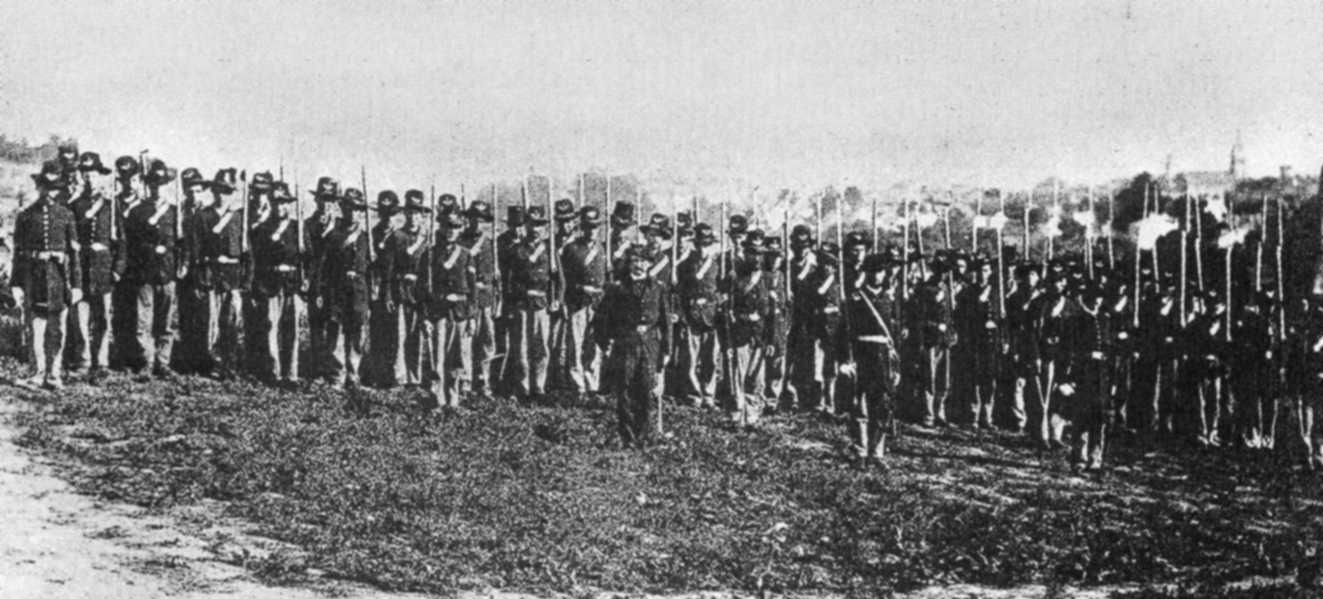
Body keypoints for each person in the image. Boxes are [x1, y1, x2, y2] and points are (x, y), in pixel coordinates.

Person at [11, 161, 82, 390]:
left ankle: (54, 374)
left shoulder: (66, 215)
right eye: (44, 187)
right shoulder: (26, 216)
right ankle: (36, 373)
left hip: (58, 279)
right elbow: (18, 254)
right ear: (38, 187)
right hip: (34, 278)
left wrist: (77, 285)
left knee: (57, 328)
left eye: (53, 189)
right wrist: (16, 283)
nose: (48, 193)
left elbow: (74, 253)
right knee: (35, 329)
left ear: (59, 190)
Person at [594, 245, 672, 448]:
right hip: (625, 343)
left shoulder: (658, 287)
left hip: (649, 345)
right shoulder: (617, 288)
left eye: (643, 261)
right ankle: (627, 436)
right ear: (629, 263)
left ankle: (645, 435)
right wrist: (605, 343)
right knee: (625, 390)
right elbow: (601, 318)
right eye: (634, 261)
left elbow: (665, 323)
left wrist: (666, 350)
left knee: (646, 389)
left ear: (649, 264)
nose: (638, 265)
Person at [122, 159, 182, 380]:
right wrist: (151, 249)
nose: (158, 188)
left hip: (167, 273)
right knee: (143, 321)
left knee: (166, 322)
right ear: (149, 186)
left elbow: (182, 243)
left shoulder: (176, 213)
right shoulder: (138, 212)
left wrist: (177, 261)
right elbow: (132, 244)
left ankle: (163, 362)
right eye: (154, 184)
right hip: (145, 274)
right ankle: (146, 361)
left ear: (167, 186)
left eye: (162, 184)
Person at [841, 252, 901, 463]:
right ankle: (860, 450)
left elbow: (895, 332)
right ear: (866, 273)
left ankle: (877, 452)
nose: (877, 276)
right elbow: (846, 332)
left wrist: (897, 365)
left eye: (880, 272)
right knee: (861, 406)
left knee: (882, 405)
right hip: (862, 355)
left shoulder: (889, 297)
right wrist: (847, 360)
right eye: (873, 272)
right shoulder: (856, 298)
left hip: (883, 358)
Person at [67, 152, 122, 381]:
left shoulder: (110, 206)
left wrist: (118, 268)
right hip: (82, 266)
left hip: (103, 268)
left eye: (94, 173)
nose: (90, 178)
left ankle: (101, 361)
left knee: (102, 319)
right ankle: (83, 360)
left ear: (101, 176)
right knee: (80, 317)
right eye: (86, 173)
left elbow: (121, 241)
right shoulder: (76, 205)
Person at [189, 169, 248, 379]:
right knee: (210, 323)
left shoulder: (240, 217)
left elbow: (248, 253)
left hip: (232, 277)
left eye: (226, 191)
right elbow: (195, 251)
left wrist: (245, 281)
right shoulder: (203, 216)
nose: (222, 195)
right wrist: (198, 278)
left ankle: (230, 365)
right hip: (210, 275)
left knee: (231, 323)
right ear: (213, 191)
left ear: (232, 193)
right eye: (218, 190)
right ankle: (213, 363)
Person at [251, 182, 305, 386]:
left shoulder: (297, 228)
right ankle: (273, 372)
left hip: (292, 284)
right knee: (271, 327)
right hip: (271, 284)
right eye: (276, 203)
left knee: (291, 330)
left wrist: (303, 281)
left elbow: (306, 258)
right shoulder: (262, 230)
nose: (280, 207)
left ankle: (291, 374)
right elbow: (258, 260)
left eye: (283, 203)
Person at [319, 188, 372, 392]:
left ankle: (353, 373)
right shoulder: (334, 235)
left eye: (358, 209)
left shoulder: (366, 238)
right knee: (336, 330)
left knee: (357, 331)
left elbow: (371, 268)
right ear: (343, 209)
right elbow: (326, 265)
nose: (353, 213)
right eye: (349, 208)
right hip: (338, 288)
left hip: (359, 289)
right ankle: (337, 374)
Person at [423, 208, 476, 408]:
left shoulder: (465, 255)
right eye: (447, 226)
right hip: (438, 312)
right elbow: (424, 288)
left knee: (456, 358)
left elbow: (472, 289)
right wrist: (425, 316)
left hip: (459, 312)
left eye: (455, 227)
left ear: (461, 229)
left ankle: (453, 399)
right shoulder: (430, 255)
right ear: (441, 227)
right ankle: (437, 399)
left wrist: (471, 316)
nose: (451, 231)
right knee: (437, 357)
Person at [382, 190, 432, 387]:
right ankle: (400, 376)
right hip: (401, 289)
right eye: (410, 212)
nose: (414, 216)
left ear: (422, 216)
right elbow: (389, 269)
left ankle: (416, 376)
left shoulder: (428, 240)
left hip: (421, 291)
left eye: (418, 213)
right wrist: (387, 294)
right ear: (405, 214)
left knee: (418, 334)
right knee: (400, 332)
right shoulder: (397, 237)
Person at [722, 231, 772, 427]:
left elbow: (772, 313)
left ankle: (752, 416)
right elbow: (727, 310)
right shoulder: (736, 278)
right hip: (739, 334)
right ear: (746, 254)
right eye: (753, 253)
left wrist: (770, 339)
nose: (757, 258)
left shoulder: (768, 279)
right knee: (737, 376)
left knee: (756, 378)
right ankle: (736, 415)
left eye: (760, 254)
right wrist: (727, 339)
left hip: (759, 335)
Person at [507, 205, 555, 401]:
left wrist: (557, 299)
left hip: (541, 303)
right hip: (522, 303)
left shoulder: (549, 250)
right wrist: (510, 303)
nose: (535, 229)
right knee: (522, 346)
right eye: (532, 225)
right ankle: (523, 385)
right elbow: (509, 280)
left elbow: (559, 278)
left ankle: (539, 385)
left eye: (539, 225)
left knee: (541, 345)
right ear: (525, 226)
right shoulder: (516, 250)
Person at [558, 206, 606, 395]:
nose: (592, 230)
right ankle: (577, 384)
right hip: (578, 302)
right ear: (582, 228)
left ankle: (592, 383)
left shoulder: (603, 247)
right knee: (576, 344)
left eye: (595, 227)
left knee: (594, 345)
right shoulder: (571, 249)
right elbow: (566, 280)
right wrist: (578, 290)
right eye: (588, 226)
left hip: (598, 303)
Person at [676, 223, 721, 407]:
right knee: (691, 358)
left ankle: (709, 393)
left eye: (707, 244)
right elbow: (679, 292)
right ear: (695, 245)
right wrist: (683, 315)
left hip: (711, 316)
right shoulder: (685, 266)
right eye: (700, 244)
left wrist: (714, 303)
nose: (703, 248)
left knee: (710, 358)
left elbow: (722, 291)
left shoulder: (718, 266)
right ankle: (694, 393)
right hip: (691, 315)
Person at [459, 200, 499, 397]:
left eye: (482, 220)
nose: (477, 224)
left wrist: (496, 299)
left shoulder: (492, 244)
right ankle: (465, 381)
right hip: (467, 298)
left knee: (487, 340)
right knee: (466, 341)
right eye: (474, 219)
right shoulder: (460, 242)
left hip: (486, 298)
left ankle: (484, 380)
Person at [364, 190, 403, 388]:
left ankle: (391, 376)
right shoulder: (372, 235)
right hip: (375, 290)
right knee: (376, 332)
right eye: (384, 213)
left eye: (391, 213)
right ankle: (375, 373)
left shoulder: (400, 237)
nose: (387, 218)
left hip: (395, 292)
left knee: (393, 334)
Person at [304, 177, 340, 383]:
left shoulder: (342, 228)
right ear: (316, 200)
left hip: (336, 284)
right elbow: (309, 258)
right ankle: (317, 369)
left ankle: (332, 370)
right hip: (317, 283)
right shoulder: (308, 226)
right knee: (317, 326)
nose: (326, 204)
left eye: (330, 199)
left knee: (334, 325)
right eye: (323, 199)